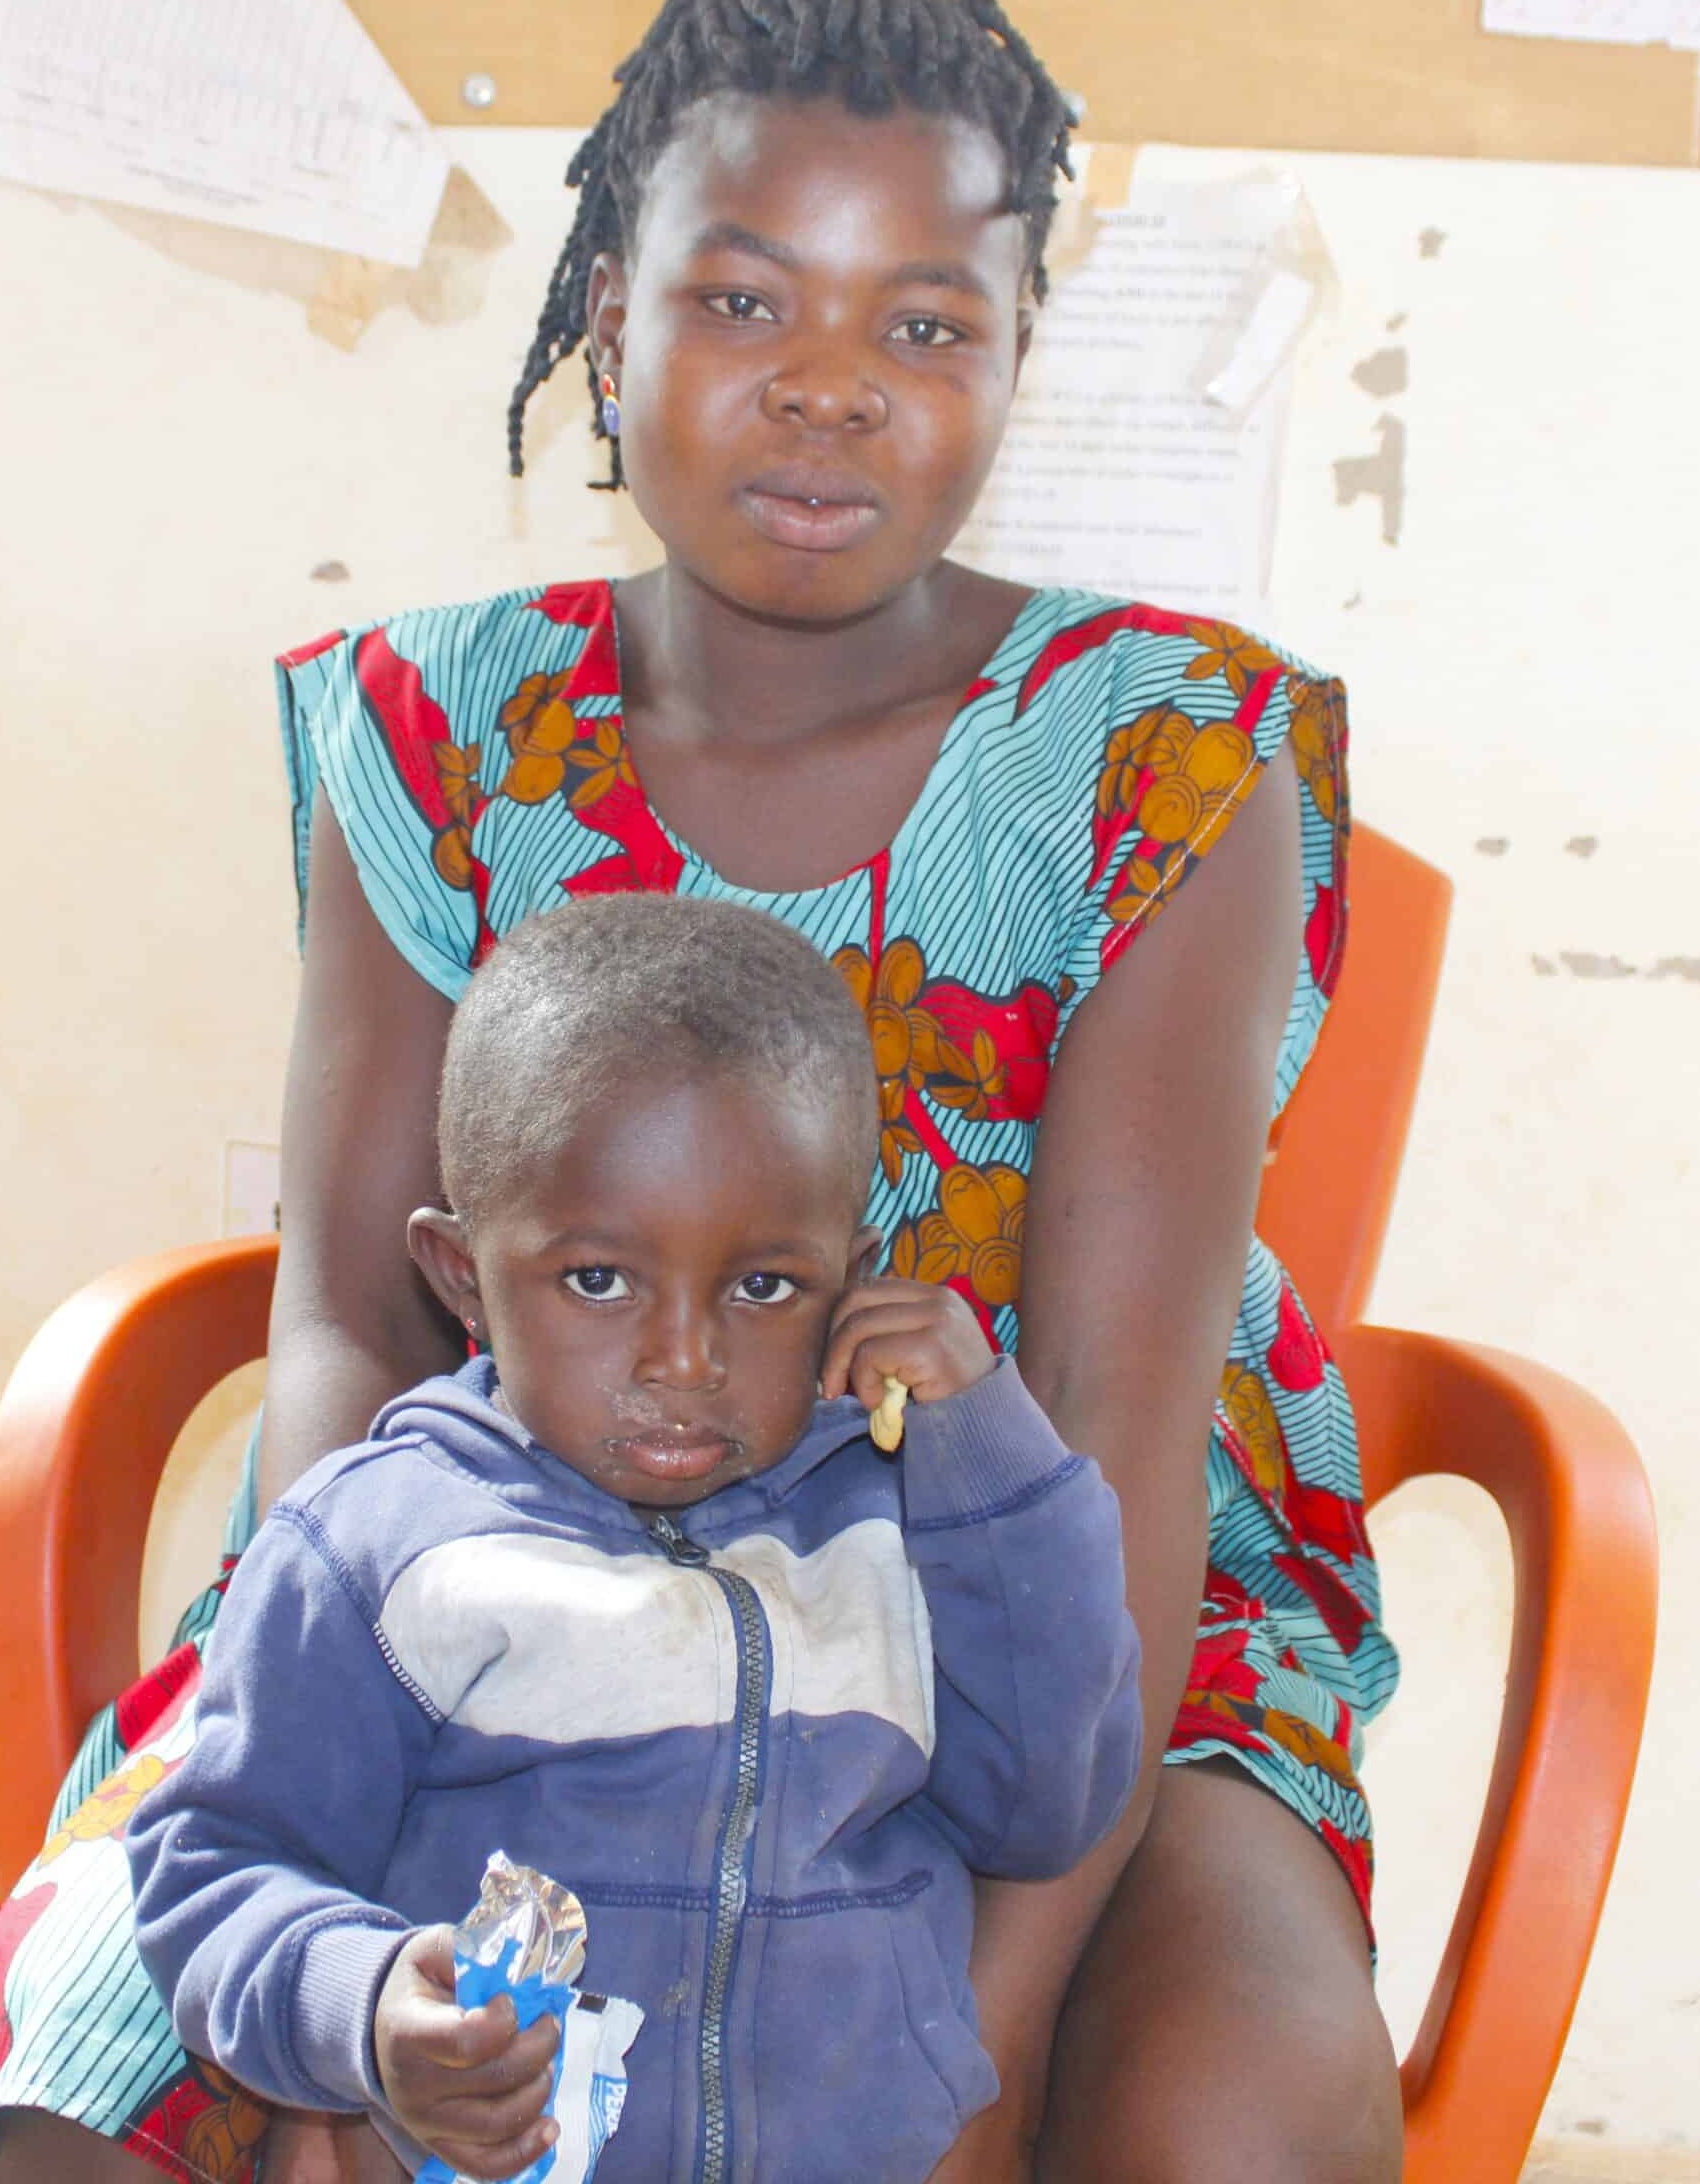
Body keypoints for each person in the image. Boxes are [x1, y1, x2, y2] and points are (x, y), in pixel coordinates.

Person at [0, 0, 1403, 2184]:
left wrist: (961, 2062)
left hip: (1046, 1627)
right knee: (89, 2088)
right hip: (482, 1564)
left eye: (923, 323)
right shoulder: (433, 733)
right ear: (604, 325)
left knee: (1236, 2122)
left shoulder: (1161, 762)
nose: (827, 392)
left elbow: (1112, 1439)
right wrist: (359, 1933)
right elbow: (351, 1309)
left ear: (1016, 359)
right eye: (741, 306)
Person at [122, 895, 1146, 2182]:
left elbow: (1045, 1808)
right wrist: (368, 2006)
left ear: (852, 1271)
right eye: (598, 1280)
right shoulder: (384, 1546)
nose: (684, 1359)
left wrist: (991, 1453)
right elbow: (214, 1864)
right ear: (460, 1276)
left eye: (762, 1286)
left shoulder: (893, 1526)